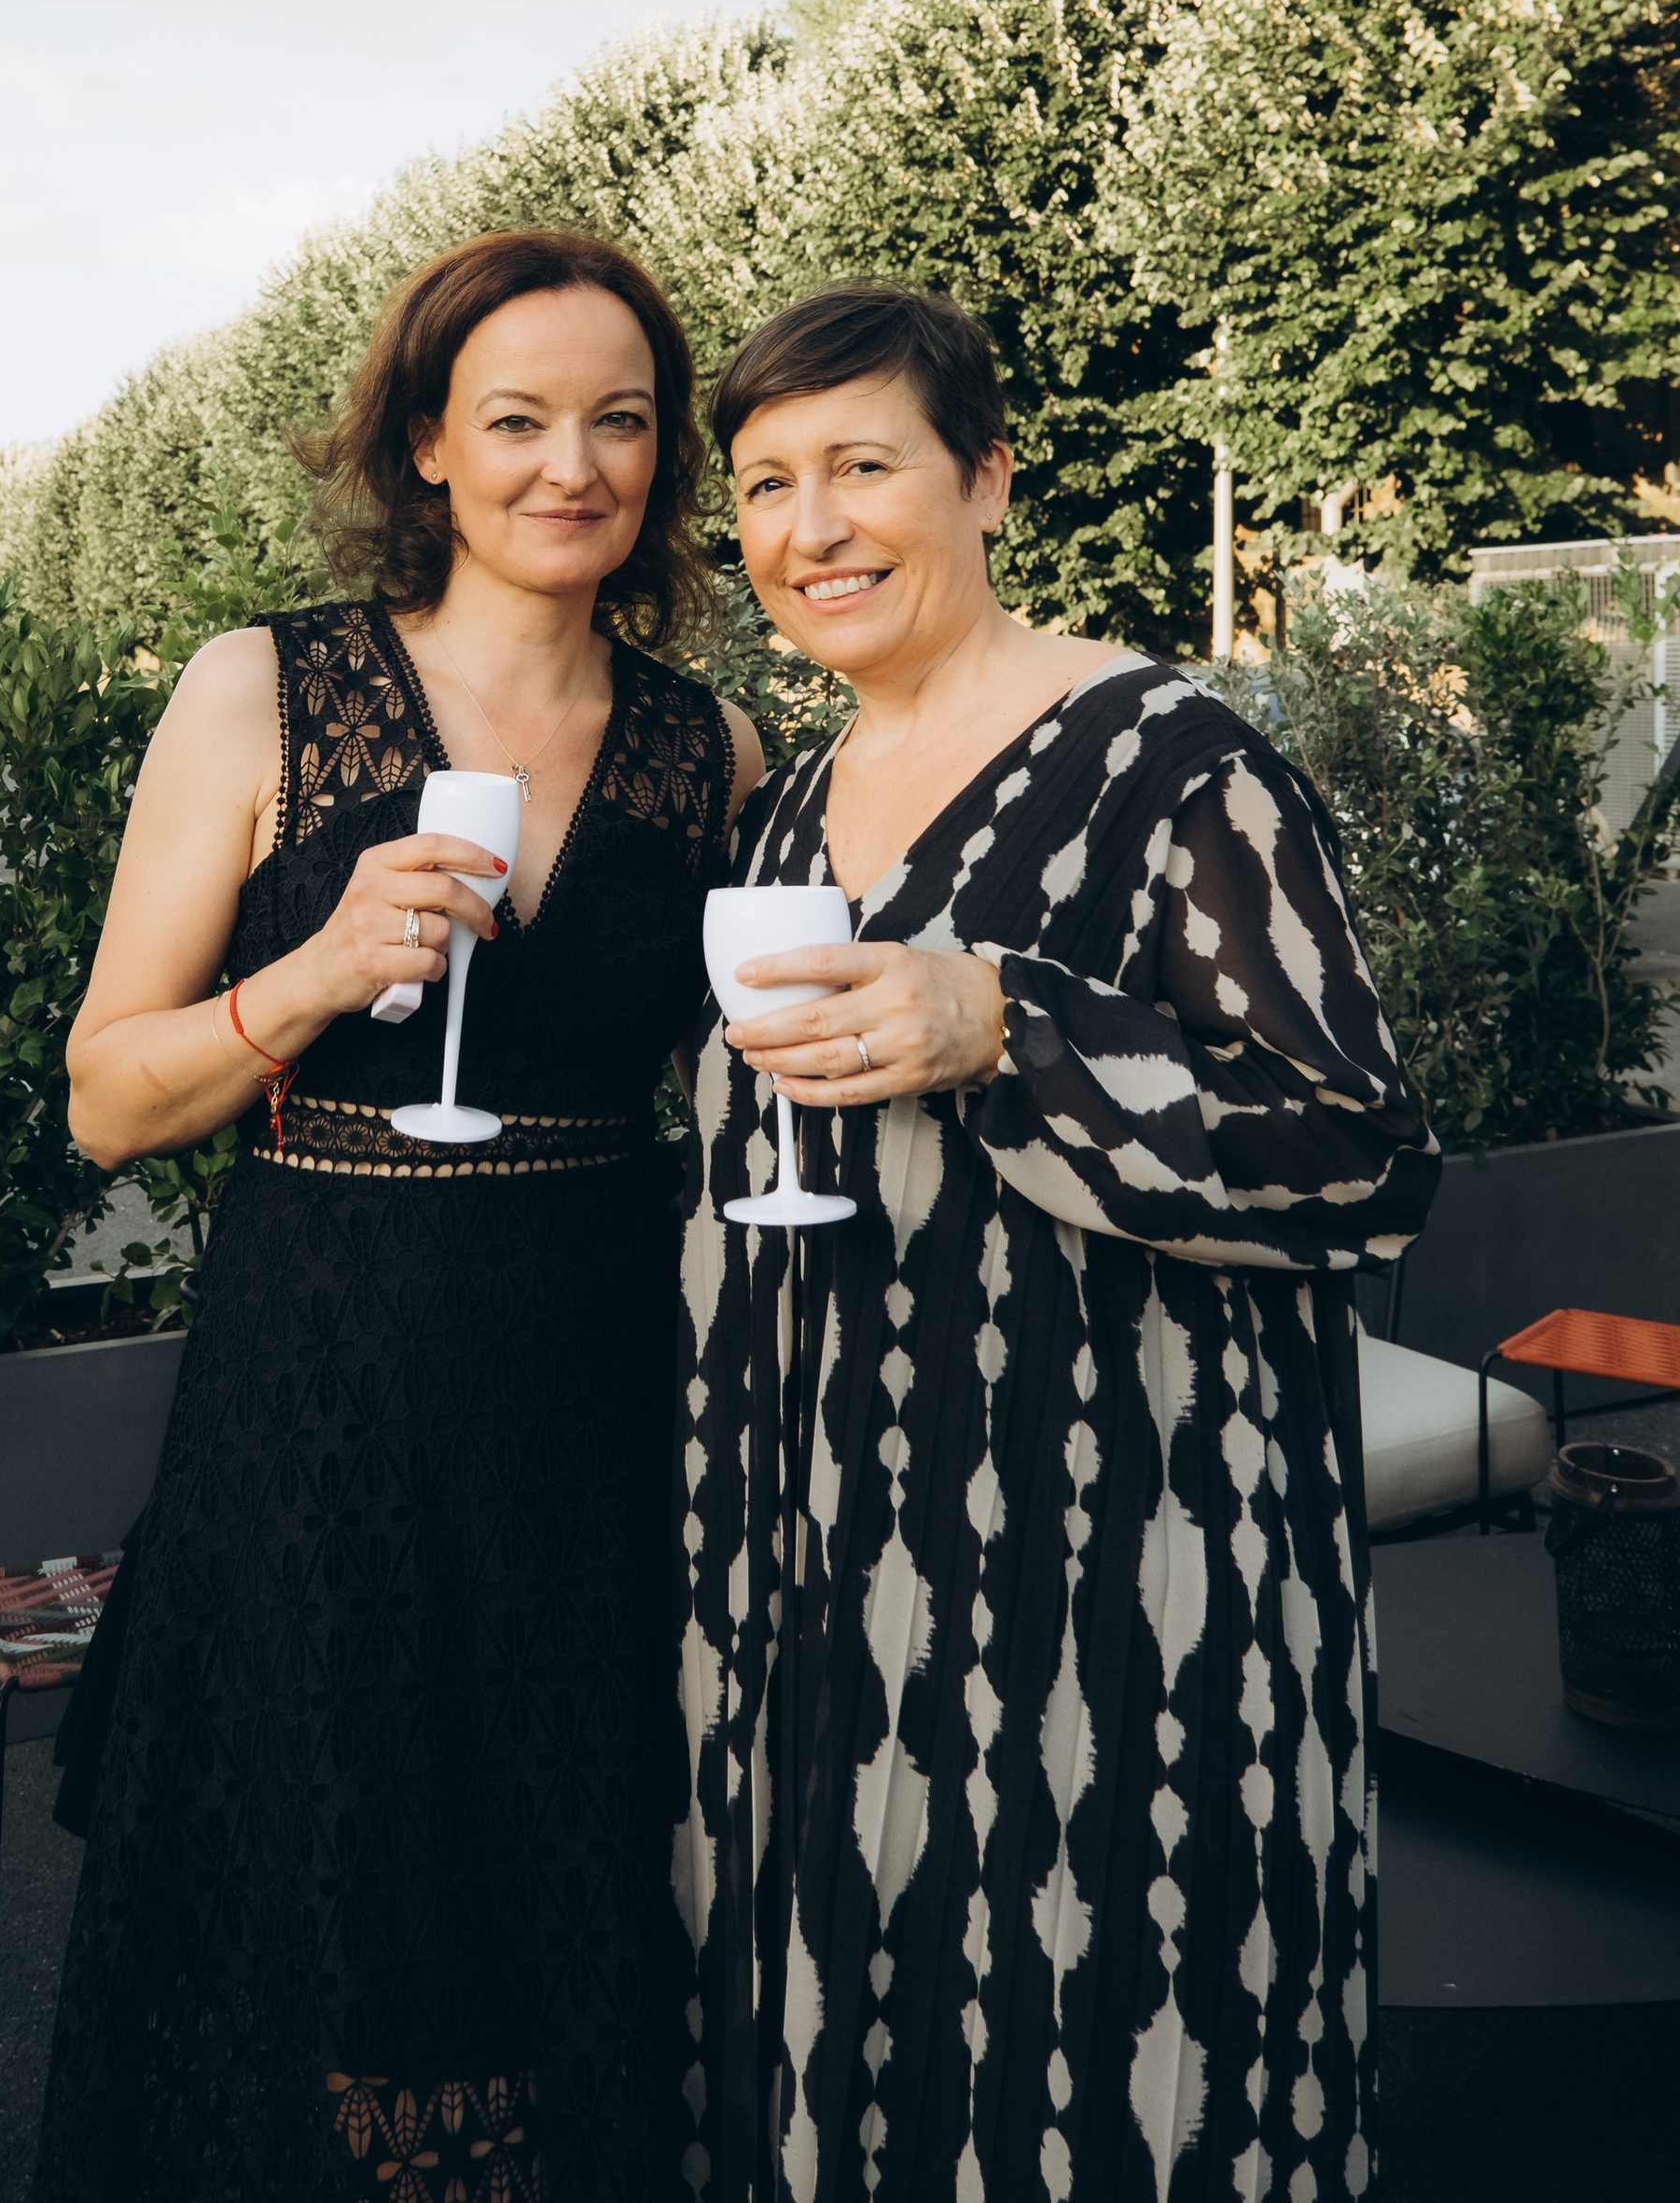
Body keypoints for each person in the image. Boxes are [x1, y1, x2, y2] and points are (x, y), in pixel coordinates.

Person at [675, 284, 1438, 2203]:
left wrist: (1006, 1024)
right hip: (835, 1584)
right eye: (765, 484)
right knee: (877, 2070)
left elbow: (1357, 1158)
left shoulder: (1168, 759)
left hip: (1116, 1578)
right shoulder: (784, 818)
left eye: (863, 466)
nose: (811, 526)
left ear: (987, 480)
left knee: (1107, 2064)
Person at [34, 229, 760, 2203]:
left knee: (569, 1881)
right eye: (514, 419)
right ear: (425, 445)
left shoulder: (713, 749)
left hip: (600, 1417)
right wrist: (309, 976)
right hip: (317, 1412)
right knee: (311, 1894)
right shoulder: (262, 692)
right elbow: (106, 1099)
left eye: (621, 422)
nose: (571, 466)